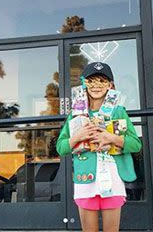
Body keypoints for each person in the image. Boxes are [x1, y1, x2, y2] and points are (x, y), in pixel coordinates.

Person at [56, 62, 142, 232]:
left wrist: (112, 138)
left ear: (111, 85)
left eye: (102, 81)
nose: (96, 86)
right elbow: (61, 147)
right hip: (85, 180)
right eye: (91, 81)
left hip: (113, 180)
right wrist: (78, 137)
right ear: (84, 84)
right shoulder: (76, 114)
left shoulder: (118, 112)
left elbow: (136, 144)